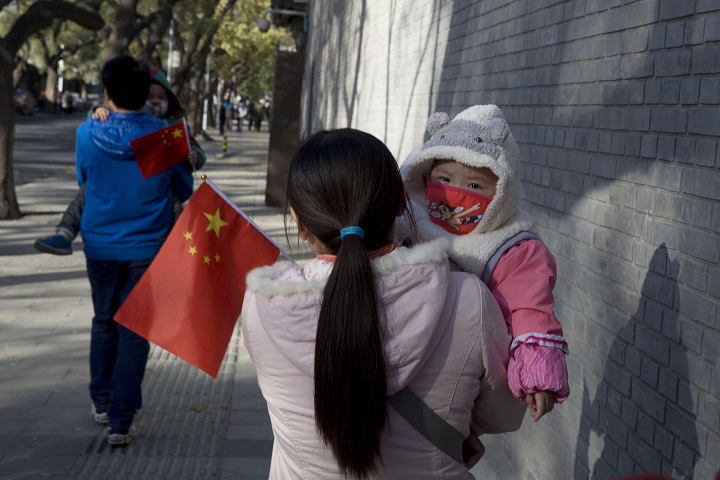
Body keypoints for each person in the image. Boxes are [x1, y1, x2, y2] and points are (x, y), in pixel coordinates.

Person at [240, 128, 524, 479]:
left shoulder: (263, 306)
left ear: (299, 222)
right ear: (401, 204)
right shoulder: (469, 299)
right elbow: (505, 415)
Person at [398, 104, 570, 423]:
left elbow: (529, 310)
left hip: (463, 375)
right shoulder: (408, 216)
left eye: (475, 185)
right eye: (444, 178)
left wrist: (538, 374)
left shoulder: (513, 247)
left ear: (502, 191)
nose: (456, 194)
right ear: (424, 175)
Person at [75, 55, 193, 446]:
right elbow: (183, 190)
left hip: (99, 245)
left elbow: (83, 178)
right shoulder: (165, 136)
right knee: (134, 330)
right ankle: (121, 422)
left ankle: (102, 403)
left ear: (106, 93)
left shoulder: (86, 133)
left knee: (104, 320)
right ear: (148, 93)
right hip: (148, 246)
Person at [34, 67, 206, 256]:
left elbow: (190, 159)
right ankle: (65, 232)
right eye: (150, 96)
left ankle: (187, 247)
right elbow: (185, 185)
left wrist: (195, 157)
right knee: (88, 190)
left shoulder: (174, 129)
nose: (156, 102)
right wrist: (97, 111)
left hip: (137, 215)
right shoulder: (102, 123)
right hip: (144, 234)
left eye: (162, 97)